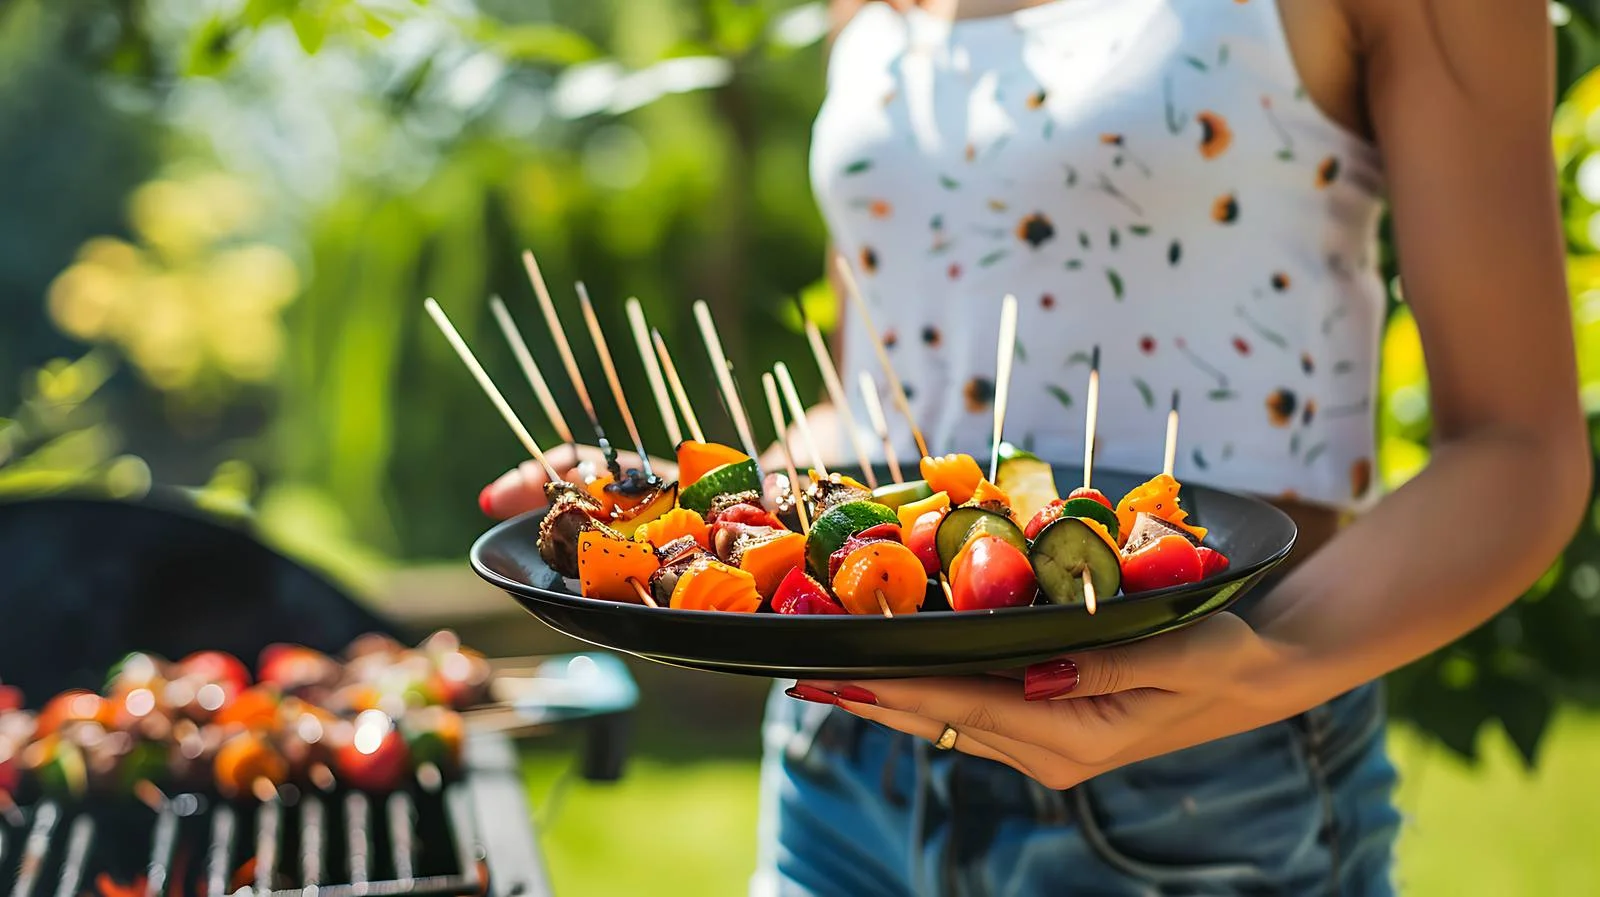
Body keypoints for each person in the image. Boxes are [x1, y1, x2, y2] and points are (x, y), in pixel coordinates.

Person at [479, 0, 1589, 892]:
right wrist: (687, 515)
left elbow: (1517, 445)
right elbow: (878, 410)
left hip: (1199, 789)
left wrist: (1273, 665)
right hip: (843, 770)